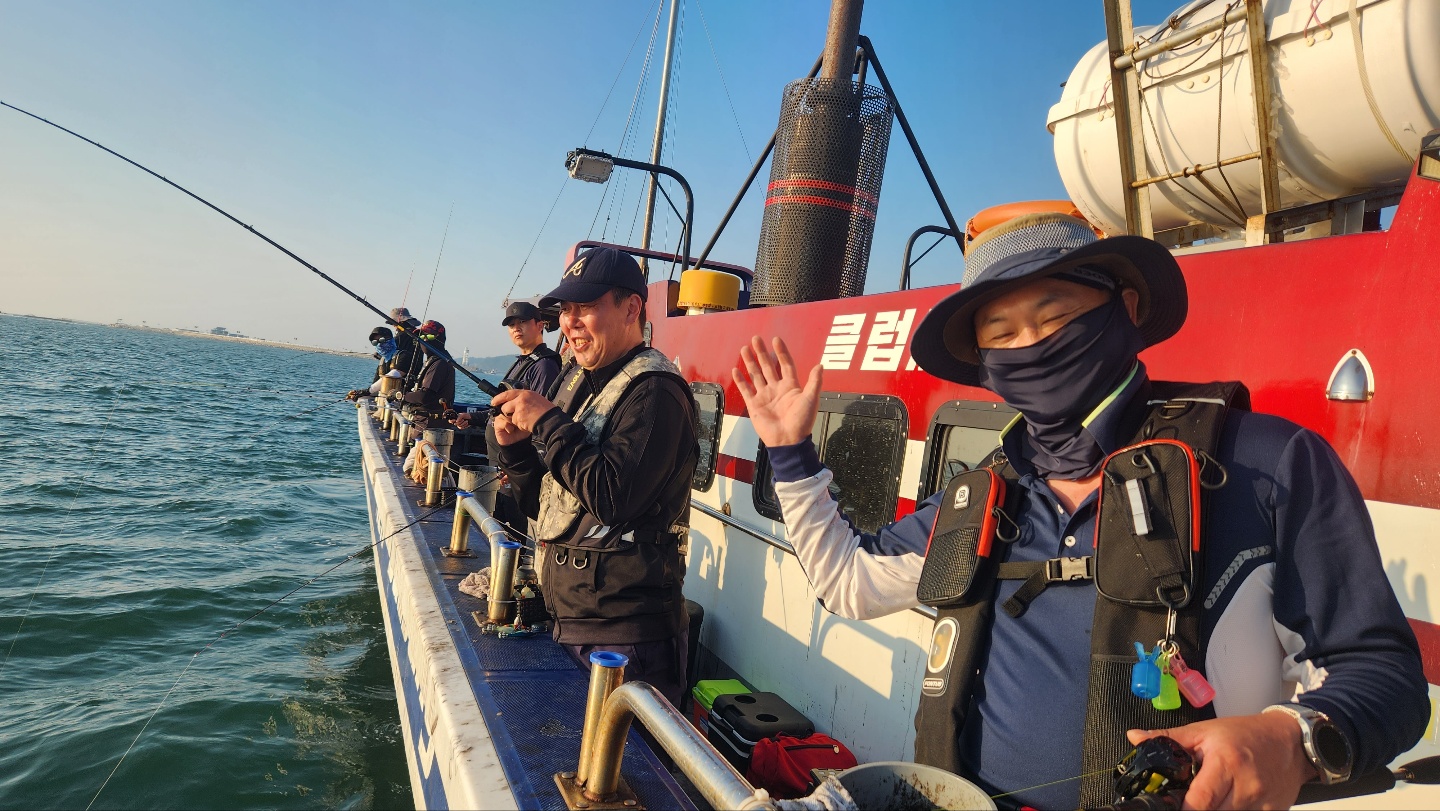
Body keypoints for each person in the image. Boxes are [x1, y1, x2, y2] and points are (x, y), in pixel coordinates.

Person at [731, 212, 1427, 810]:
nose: (1030, 344)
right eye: (1000, 333)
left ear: (1127, 306)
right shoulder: (983, 493)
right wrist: (789, 452)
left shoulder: (1266, 464)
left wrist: (1291, 739)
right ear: (984, 364)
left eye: (1056, 316)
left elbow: (1384, 675)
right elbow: (848, 581)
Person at [488, 247, 696, 705]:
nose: (570, 322)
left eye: (585, 307)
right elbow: (542, 505)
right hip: (569, 621)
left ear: (631, 308)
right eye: (565, 309)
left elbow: (613, 498)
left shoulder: (657, 391)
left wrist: (547, 421)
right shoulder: (577, 380)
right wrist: (516, 452)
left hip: (625, 643)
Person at [398, 319, 455, 434]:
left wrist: (401, 396)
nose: (423, 339)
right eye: (421, 336)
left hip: (430, 426)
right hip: (423, 422)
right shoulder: (432, 361)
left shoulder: (440, 363)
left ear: (440, 339)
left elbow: (425, 396)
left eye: (428, 336)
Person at [347, 326, 402, 400]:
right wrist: (359, 393)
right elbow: (374, 388)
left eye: (381, 340)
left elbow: (395, 374)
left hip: (401, 398)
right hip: (384, 399)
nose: (379, 344)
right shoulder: (382, 362)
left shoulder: (402, 355)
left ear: (390, 338)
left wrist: (368, 391)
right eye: (375, 342)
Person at [389, 306, 424, 391]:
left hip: (401, 376)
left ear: (400, 322)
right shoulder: (418, 334)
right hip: (416, 376)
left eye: (393, 323)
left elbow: (388, 350)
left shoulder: (401, 336)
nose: (393, 326)